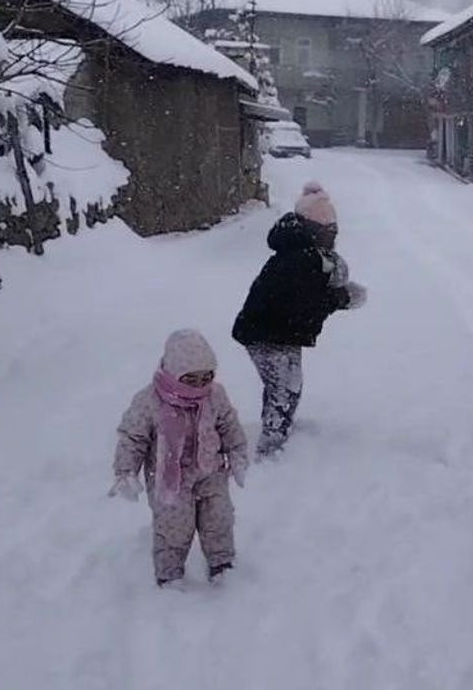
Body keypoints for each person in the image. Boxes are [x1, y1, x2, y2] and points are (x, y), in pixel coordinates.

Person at [231, 181, 367, 459]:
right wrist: (341, 298)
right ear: (311, 229)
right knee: (282, 389)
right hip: (264, 333)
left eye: (335, 230)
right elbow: (308, 304)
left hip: (283, 332)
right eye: (327, 231)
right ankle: (271, 447)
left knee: (291, 385)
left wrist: (336, 293)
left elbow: (312, 299)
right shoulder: (298, 260)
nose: (333, 236)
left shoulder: (309, 255)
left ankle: (281, 432)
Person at [109, 329, 249, 588]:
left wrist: (237, 452)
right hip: (169, 479)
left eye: (206, 377)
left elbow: (229, 424)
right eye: (192, 379)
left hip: (211, 472)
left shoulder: (215, 396)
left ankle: (221, 563)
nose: (200, 386)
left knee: (219, 519)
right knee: (174, 527)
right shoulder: (149, 401)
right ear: (173, 374)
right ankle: (169, 573)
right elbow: (133, 437)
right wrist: (125, 471)